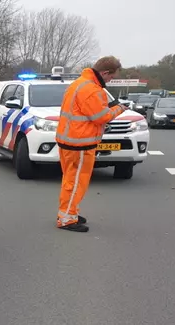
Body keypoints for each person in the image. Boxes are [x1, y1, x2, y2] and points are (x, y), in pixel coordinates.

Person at [55, 56, 130, 232]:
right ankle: (66, 219)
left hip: (69, 142)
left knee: (70, 181)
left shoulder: (79, 84)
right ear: (104, 73)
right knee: (76, 183)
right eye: (111, 77)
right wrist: (119, 108)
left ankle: (69, 212)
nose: (111, 80)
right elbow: (100, 117)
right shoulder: (92, 90)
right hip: (80, 144)